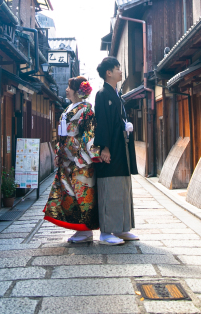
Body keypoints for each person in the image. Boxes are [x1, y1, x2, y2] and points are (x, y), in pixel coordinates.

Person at [43, 76, 99, 242]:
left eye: (69, 87)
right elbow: (61, 135)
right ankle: (79, 229)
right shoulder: (70, 108)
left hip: (80, 160)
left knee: (82, 194)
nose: (66, 90)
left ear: (78, 91)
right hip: (66, 160)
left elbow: (90, 134)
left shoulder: (86, 109)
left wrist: (94, 155)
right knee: (70, 195)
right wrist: (57, 152)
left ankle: (86, 231)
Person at [93, 56, 139, 245]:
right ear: (108, 73)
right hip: (110, 147)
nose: (121, 71)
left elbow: (116, 119)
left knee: (122, 186)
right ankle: (106, 232)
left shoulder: (116, 94)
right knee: (109, 188)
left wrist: (125, 124)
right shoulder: (102, 94)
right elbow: (102, 122)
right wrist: (104, 147)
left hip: (121, 147)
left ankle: (121, 228)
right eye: (117, 68)